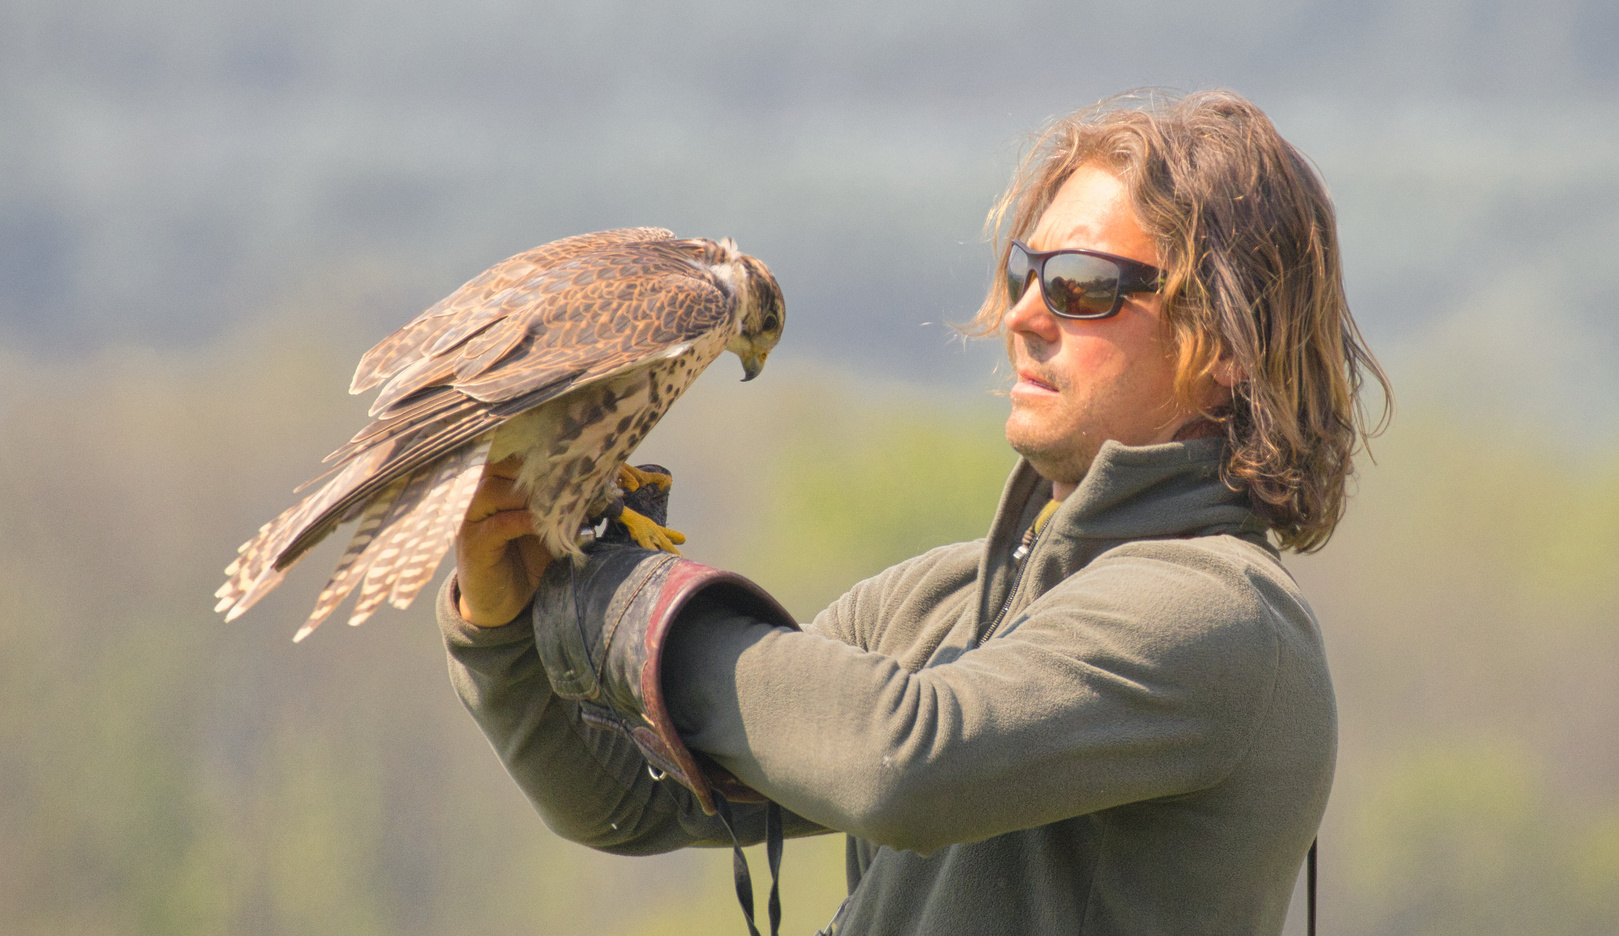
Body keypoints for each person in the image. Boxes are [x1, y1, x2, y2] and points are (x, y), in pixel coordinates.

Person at [438, 90, 1389, 936]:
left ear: (1221, 342)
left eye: (1083, 287)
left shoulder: (1217, 617)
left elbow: (902, 764)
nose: (1023, 313)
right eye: (1026, 271)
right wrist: (509, 623)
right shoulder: (945, 600)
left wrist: (623, 595)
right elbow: (639, 803)